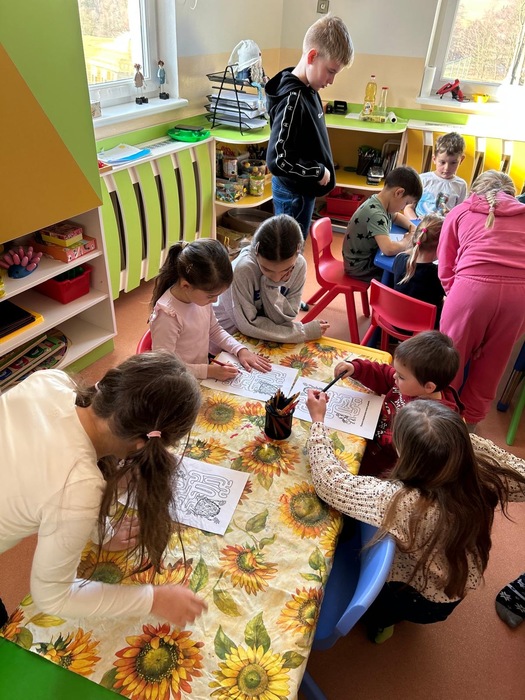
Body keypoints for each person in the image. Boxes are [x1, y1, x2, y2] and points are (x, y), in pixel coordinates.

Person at [0, 352, 207, 628]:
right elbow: (53, 597)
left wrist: (104, 532)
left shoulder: (49, 381)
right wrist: (154, 599)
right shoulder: (78, 486)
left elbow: (51, 479)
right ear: (141, 447)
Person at [305, 397, 525, 643]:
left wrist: (318, 421)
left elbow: (330, 483)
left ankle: (382, 622)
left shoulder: (405, 502)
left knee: (381, 610)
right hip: (456, 580)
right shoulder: (479, 458)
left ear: (406, 455)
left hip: (419, 599)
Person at [437, 170, 525, 432]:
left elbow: (445, 266)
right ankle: (470, 430)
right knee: (491, 368)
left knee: (450, 360)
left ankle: (440, 424)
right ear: (512, 194)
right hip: (518, 298)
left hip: (470, 290)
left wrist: (457, 297)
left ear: (476, 192)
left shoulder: (460, 211)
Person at [265, 14, 354, 240]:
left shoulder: (309, 90)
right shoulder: (292, 99)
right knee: (288, 251)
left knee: (295, 248)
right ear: (312, 56)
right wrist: (317, 171)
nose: (331, 80)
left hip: (303, 192)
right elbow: (278, 159)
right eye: (331, 71)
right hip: (293, 195)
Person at [333, 330, 462, 477]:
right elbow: (384, 374)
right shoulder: (412, 384)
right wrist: (356, 368)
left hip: (384, 469)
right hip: (367, 438)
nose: (395, 376)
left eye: (401, 376)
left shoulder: (431, 425)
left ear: (429, 387)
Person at [149, 238, 271, 380]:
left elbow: (214, 330)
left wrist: (240, 350)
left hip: (198, 374)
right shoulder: (167, 316)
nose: (215, 300)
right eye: (211, 296)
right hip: (178, 381)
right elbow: (166, 368)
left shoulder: (199, 299)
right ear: (186, 286)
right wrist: (209, 371)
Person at [214, 214, 330, 343]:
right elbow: (248, 325)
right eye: (267, 269)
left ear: (297, 253)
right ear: (256, 251)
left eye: (286, 270)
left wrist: (271, 286)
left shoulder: (299, 265)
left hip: (265, 335)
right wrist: (302, 332)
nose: (276, 278)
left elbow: (286, 317)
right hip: (227, 336)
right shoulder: (242, 270)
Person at [342, 166, 422, 281]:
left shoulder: (379, 201)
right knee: (401, 274)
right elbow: (388, 249)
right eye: (406, 203)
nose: (403, 208)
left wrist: (412, 227)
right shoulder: (376, 214)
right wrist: (406, 241)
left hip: (362, 261)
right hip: (360, 268)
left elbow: (396, 217)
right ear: (399, 193)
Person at [393, 214, 445, 326]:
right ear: (441, 246)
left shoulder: (399, 258)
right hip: (424, 328)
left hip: (395, 320)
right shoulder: (438, 274)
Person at [405, 132, 467, 220]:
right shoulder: (422, 180)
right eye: (442, 162)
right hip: (420, 225)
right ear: (434, 159)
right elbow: (408, 208)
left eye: (453, 163)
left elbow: (458, 214)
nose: (447, 168)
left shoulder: (461, 185)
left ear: (461, 160)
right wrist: (415, 222)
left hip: (443, 226)